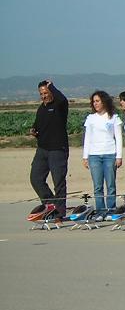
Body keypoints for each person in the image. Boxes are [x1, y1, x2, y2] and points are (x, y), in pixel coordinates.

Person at [29, 79, 70, 218]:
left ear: (51, 92)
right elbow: (37, 125)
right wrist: (34, 130)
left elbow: (63, 99)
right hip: (42, 149)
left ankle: (59, 213)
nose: (44, 96)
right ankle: (51, 205)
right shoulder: (41, 108)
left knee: (58, 181)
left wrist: (51, 86)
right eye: (41, 94)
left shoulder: (59, 105)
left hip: (57, 149)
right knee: (36, 179)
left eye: (46, 93)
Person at [82, 90, 123, 212]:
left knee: (110, 185)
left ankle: (111, 209)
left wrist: (119, 156)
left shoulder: (114, 117)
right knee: (97, 186)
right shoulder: (90, 118)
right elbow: (87, 138)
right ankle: (100, 211)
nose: (95, 103)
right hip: (94, 156)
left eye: (98, 101)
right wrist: (85, 157)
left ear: (104, 102)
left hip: (109, 154)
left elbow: (119, 138)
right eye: (93, 101)